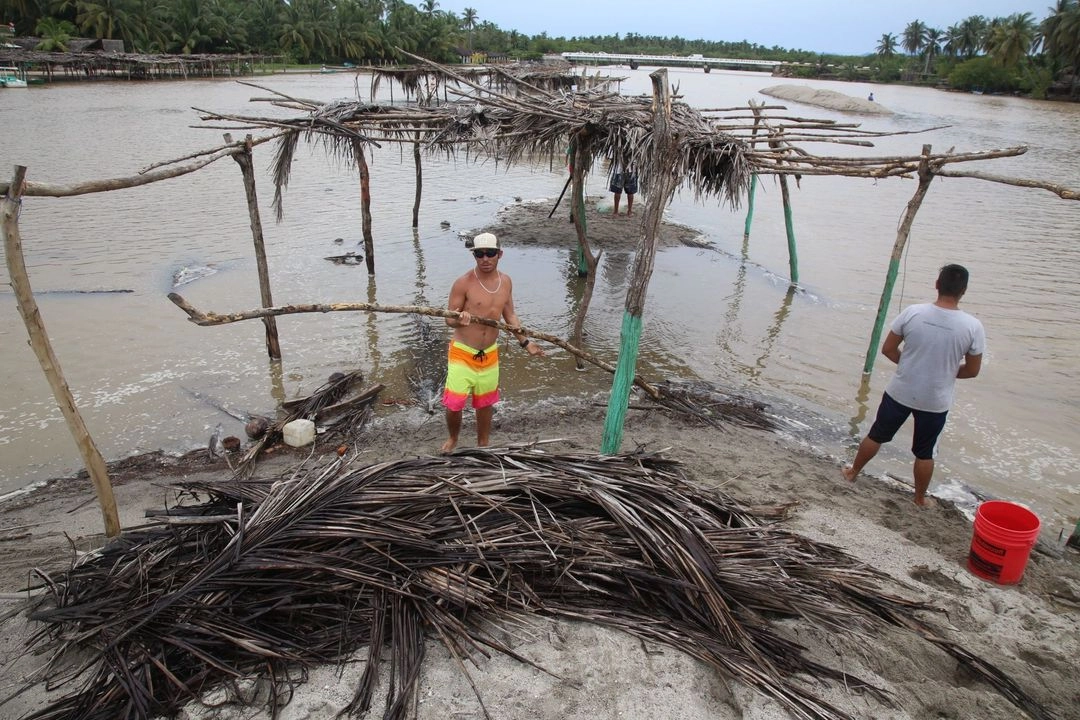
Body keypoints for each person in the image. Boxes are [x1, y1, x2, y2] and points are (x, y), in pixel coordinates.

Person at [842, 264, 985, 506]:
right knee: (925, 452)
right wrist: (945, 373)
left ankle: (853, 472)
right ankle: (919, 498)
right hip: (935, 398)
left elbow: (887, 349)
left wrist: (909, 364)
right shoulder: (972, 327)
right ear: (964, 291)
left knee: (876, 434)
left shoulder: (913, 313)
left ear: (937, 284)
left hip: (901, 389)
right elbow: (972, 370)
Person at [441, 232, 544, 453]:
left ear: (500, 254)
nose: (485, 259)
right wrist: (459, 320)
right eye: (480, 254)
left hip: (489, 353)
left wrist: (526, 343)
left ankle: (483, 443)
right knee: (454, 402)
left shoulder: (505, 282)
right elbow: (449, 319)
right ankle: (453, 438)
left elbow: (510, 316)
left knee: (485, 402)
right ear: (474, 256)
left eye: (490, 253)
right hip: (462, 351)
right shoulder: (463, 283)